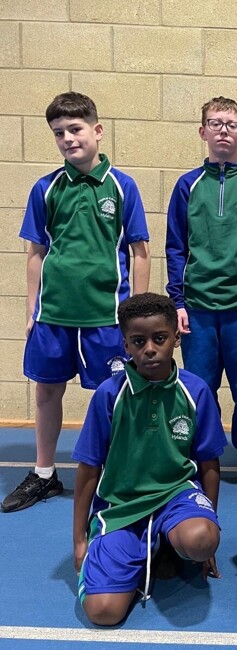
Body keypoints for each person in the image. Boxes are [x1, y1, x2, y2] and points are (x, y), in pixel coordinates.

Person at [2, 92, 150, 514]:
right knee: (46, 392)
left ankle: (117, 473)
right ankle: (44, 473)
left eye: (75, 129)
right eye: (58, 133)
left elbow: (140, 252)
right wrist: (31, 310)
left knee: (115, 396)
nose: (67, 138)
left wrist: (136, 317)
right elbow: (35, 253)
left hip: (106, 317)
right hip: (54, 317)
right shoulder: (45, 188)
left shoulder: (123, 187)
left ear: (97, 131)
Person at [72, 293, 228, 626]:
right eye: (138, 341)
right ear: (126, 345)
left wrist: (211, 528)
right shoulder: (108, 395)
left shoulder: (196, 390)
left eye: (159, 338)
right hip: (122, 505)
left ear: (176, 337)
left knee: (201, 539)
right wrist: (79, 539)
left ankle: (169, 541)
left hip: (177, 495)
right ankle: (133, 547)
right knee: (103, 612)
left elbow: (209, 465)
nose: (150, 349)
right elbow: (88, 468)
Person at [166, 96, 237, 477]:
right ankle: (202, 449)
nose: (223, 130)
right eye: (215, 123)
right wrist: (177, 303)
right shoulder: (187, 185)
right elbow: (175, 247)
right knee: (199, 385)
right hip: (197, 307)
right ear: (203, 132)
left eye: (232, 124)